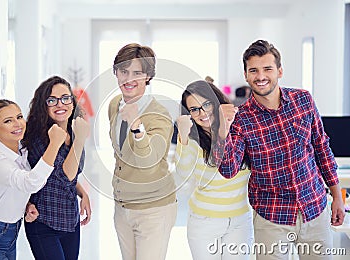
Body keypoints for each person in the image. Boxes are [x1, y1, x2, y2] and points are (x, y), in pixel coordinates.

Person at [217, 39, 345, 259]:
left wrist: (337, 198)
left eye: (267, 68)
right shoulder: (241, 119)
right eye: (253, 70)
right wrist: (222, 130)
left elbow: (322, 147)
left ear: (279, 71)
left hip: (314, 208)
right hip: (271, 218)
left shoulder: (303, 100)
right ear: (246, 75)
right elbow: (228, 170)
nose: (260, 76)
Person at [0, 99, 66, 260]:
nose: (18, 124)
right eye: (8, 121)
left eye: (19, 117)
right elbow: (31, 183)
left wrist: (25, 204)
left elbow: (17, 184)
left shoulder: (21, 149)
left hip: (9, 234)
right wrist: (54, 144)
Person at [108, 43, 177, 260]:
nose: (129, 79)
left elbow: (149, 162)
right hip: (122, 206)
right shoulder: (114, 104)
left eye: (137, 73)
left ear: (148, 76)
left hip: (153, 209)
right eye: (124, 71)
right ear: (116, 73)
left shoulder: (159, 115)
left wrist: (137, 126)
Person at [175, 80, 252, 260]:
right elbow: (183, 175)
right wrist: (183, 136)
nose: (202, 113)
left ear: (217, 101)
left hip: (239, 220)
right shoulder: (193, 139)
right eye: (194, 109)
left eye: (206, 104)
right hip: (204, 222)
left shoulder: (238, 129)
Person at [22, 76, 92, 260]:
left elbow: (71, 175)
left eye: (65, 98)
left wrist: (83, 193)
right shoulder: (40, 136)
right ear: (43, 105)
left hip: (70, 220)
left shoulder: (73, 130)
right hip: (44, 222)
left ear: (72, 101)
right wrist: (80, 140)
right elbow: (64, 176)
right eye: (52, 100)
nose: (60, 104)